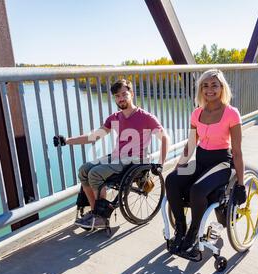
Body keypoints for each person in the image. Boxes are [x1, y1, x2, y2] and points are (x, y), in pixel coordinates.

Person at [53, 79, 170, 229]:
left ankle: (100, 216)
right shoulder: (114, 117)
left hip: (135, 161)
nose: (120, 98)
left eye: (124, 94)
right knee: (84, 170)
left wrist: (160, 164)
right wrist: (66, 140)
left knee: (95, 173)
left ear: (132, 94)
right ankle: (97, 211)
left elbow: (164, 137)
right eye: (117, 96)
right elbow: (93, 136)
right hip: (117, 157)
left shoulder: (146, 117)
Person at [165, 69, 246, 258]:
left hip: (221, 163)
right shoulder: (196, 113)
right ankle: (180, 228)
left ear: (222, 88)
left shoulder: (231, 113)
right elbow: (191, 143)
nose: (210, 89)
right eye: (205, 85)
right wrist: (180, 166)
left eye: (214, 85)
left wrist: (241, 184)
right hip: (201, 160)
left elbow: (237, 151)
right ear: (200, 89)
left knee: (197, 190)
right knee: (172, 180)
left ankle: (193, 233)